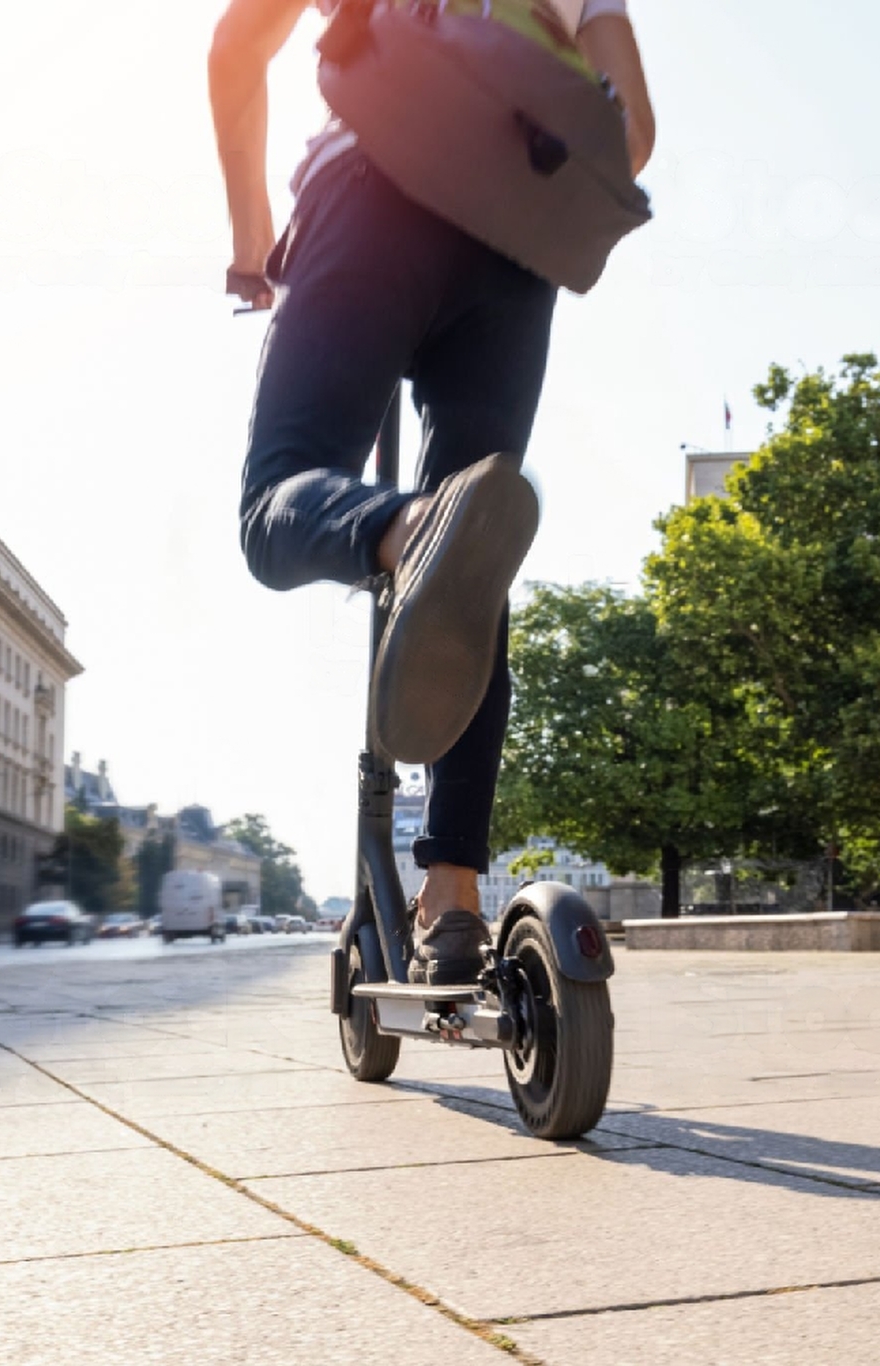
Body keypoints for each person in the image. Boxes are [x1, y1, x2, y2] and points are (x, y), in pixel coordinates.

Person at [209, 0, 655, 983]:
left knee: (277, 500)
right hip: (518, 240)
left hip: (373, 178)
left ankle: (405, 526)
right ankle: (451, 896)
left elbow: (238, 47)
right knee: (473, 579)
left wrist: (252, 245)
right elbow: (633, 133)